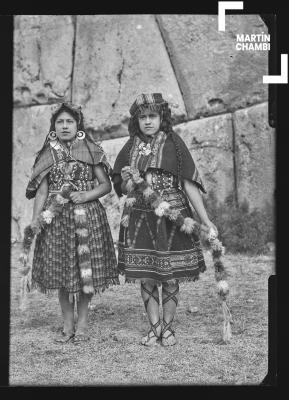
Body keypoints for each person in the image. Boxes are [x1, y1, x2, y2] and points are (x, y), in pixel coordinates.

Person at [112, 93, 217, 347]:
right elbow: (123, 187)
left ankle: (168, 328)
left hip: (173, 215)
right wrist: (129, 178)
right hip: (139, 217)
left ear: (162, 118)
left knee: (170, 276)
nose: (147, 121)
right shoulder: (130, 147)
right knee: (147, 275)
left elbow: (189, 184)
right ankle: (154, 326)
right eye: (142, 117)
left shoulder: (174, 144)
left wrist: (207, 221)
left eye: (152, 116)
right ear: (136, 121)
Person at [25, 102, 119, 344]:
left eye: (69, 121)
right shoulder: (47, 154)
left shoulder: (90, 150)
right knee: (63, 273)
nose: (65, 126)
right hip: (57, 219)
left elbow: (105, 185)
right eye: (60, 122)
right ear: (54, 127)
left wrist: (85, 195)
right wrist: (36, 221)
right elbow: (42, 192)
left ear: (78, 125)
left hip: (87, 215)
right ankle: (67, 324)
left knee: (84, 272)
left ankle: (83, 323)